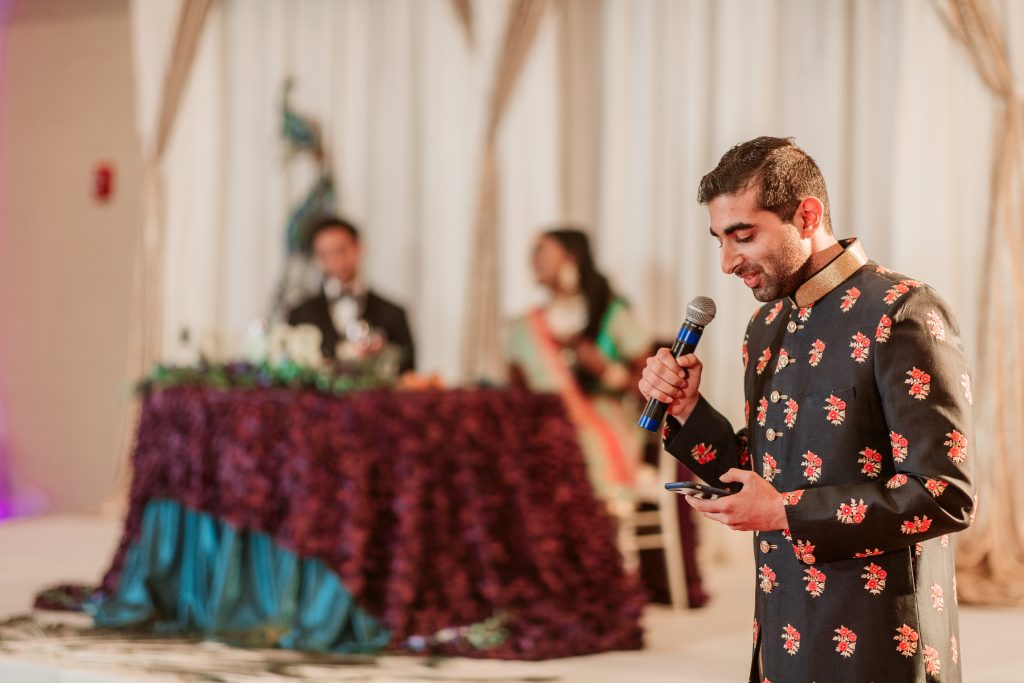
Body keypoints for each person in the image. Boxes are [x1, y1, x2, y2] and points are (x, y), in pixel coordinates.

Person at [639, 137, 975, 682]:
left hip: (880, 637)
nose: (727, 262)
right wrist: (687, 408)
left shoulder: (902, 311)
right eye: (720, 240)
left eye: (744, 236)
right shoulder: (766, 325)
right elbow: (765, 472)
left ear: (807, 216)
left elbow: (945, 494)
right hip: (782, 623)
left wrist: (784, 513)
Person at [507, 228, 650, 503]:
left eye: (542, 251)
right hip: (542, 420)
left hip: (601, 421)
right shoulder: (524, 327)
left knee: (570, 442)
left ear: (571, 257)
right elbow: (515, 388)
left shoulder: (609, 313)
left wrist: (607, 372)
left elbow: (651, 388)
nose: (533, 259)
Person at [288, 215, 416, 374]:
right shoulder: (300, 313)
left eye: (340, 250)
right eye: (324, 254)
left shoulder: (393, 313)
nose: (334, 260)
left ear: (358, 248)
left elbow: (408, 373)